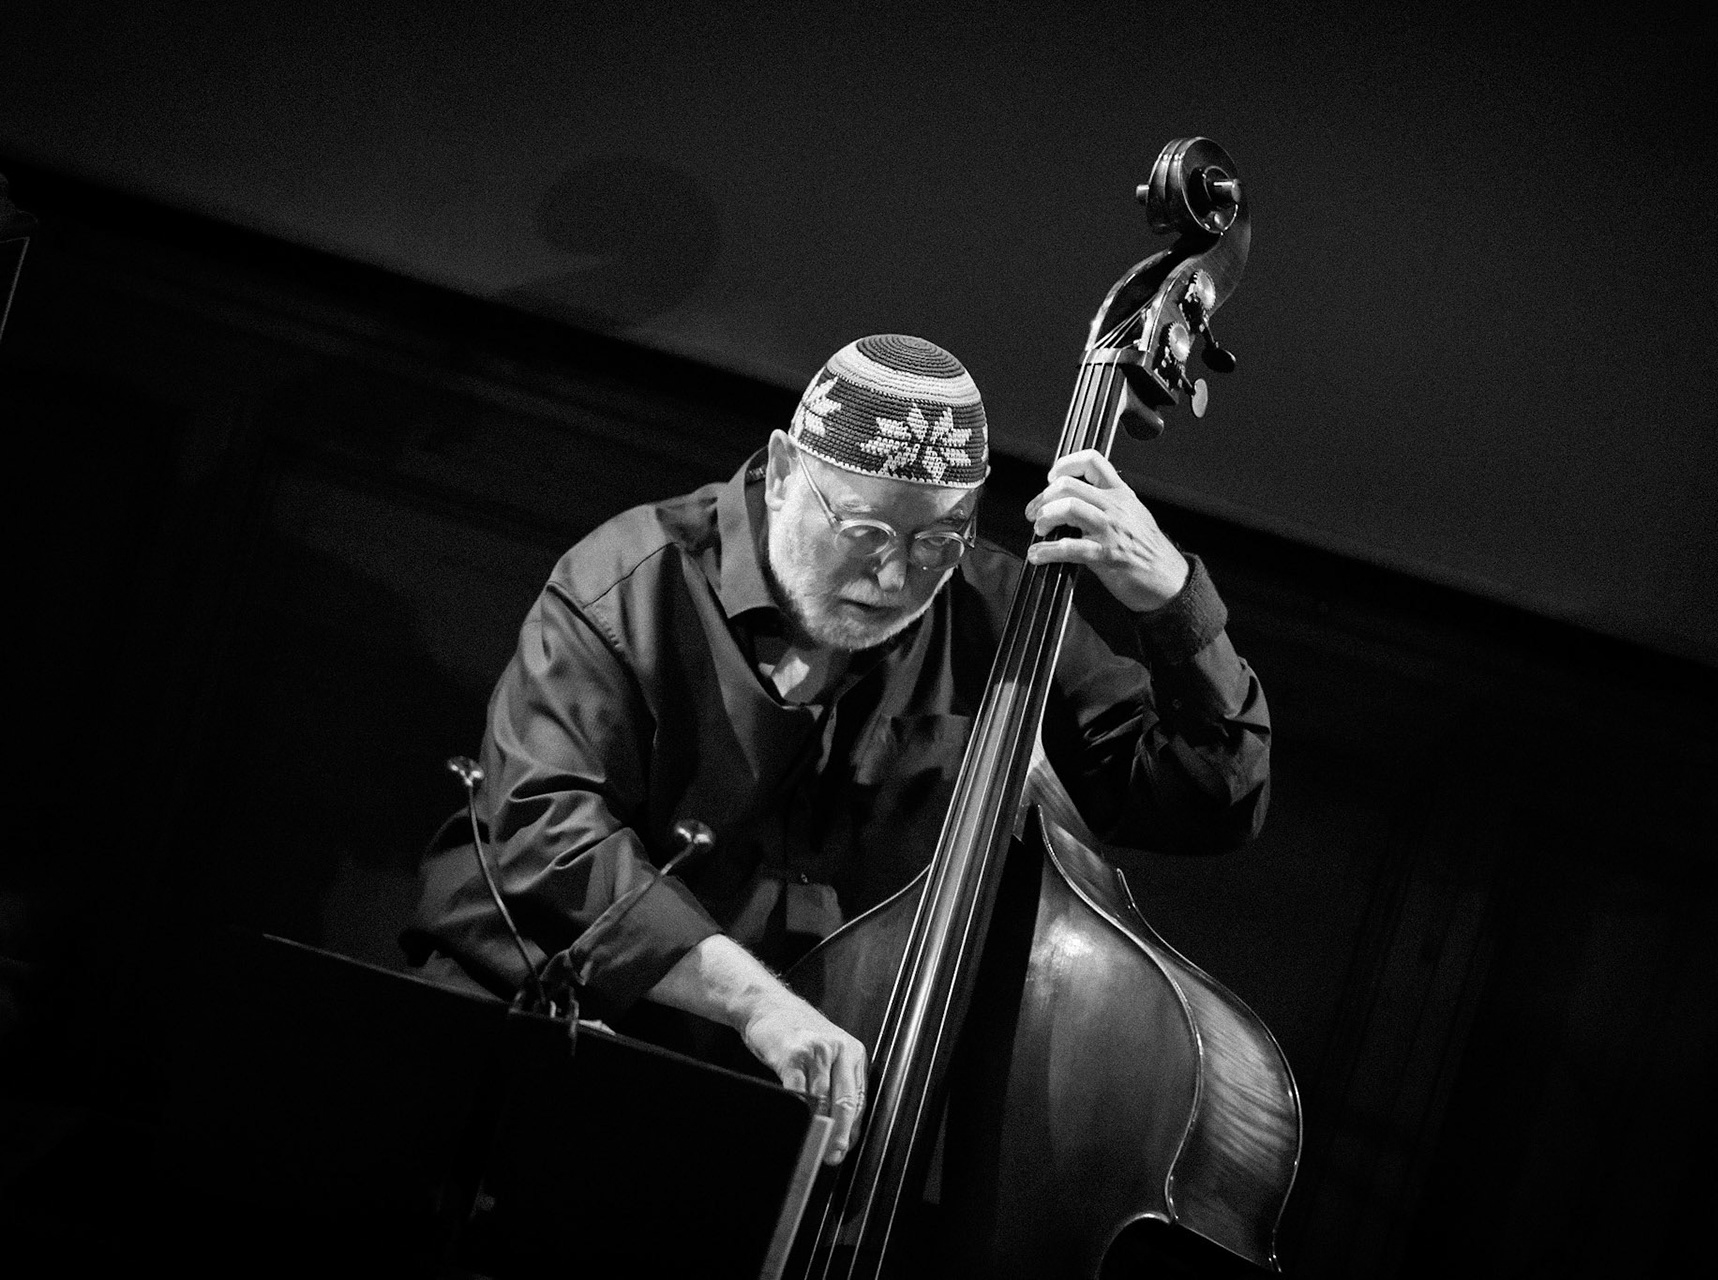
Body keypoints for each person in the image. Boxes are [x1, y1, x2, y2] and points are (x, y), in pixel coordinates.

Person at [404, 334, 1270, 1169]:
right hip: (535, 1037)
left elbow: (1210, 797)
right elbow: (547, 831)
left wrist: (1171, 600)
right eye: (865, 533)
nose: (895, 580)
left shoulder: (992, 610)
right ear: (784, 473)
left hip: (787, 1112)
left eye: (936, 543)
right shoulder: (629, 582)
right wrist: (757, 1004)